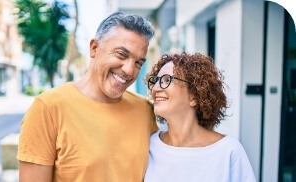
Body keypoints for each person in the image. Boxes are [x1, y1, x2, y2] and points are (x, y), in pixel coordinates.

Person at [17, 12, 157, 182]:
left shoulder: (145, 110)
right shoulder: (47, 108)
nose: (129, 70)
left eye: (138, 63)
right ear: (94, 48)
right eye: (121, 54)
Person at [144, 52, 256, 182]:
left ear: (194, 96)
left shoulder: (228, 151)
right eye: (156, 81)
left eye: (167, 80)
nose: (155, 88)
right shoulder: (148, 145)